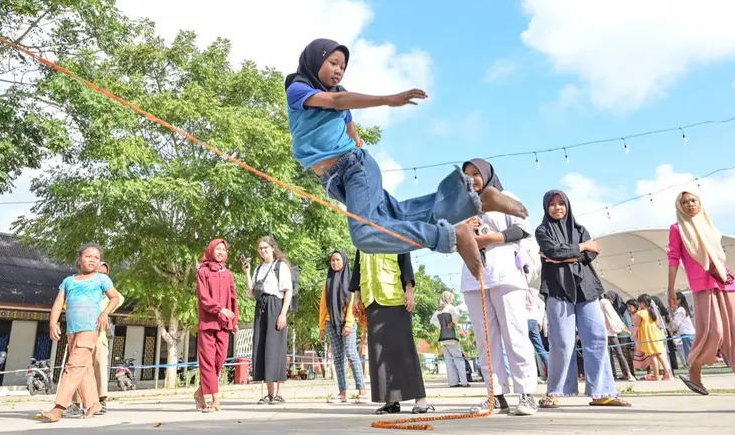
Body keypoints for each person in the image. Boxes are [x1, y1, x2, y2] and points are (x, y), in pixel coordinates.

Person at [284, 38, 529, 279]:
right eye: (334, 63)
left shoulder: (337, 95)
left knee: (365, 235)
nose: (339, 71)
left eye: (343, 67)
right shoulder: (298, 88)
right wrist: (356, 138)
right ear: (315, 59)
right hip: (335, 179)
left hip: (353, 168)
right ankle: (476, 199)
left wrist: (387, 101)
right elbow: (345, 119)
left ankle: (451, 237)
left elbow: (340, 105)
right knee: (398, 216)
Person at [535, 190, 629, 408]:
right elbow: (553, 251)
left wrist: (563, 255)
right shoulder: (542, 231)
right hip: (558, 289)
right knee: (562, 342)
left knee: (597, 337)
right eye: (552, 204)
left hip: (586, 289)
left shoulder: (580, 229)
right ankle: (555, 391)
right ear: (546, 208)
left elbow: (591, 254)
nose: (557, 208)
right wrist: (580, 247)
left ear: (568, 205)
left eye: (561, 203)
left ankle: (602, 392)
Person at [460, 158, 538, 415]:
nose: (472, 178)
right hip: (474, 278)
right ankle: (495, 394)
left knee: (514, 334)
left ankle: (527, 393)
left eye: (476, 173)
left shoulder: (505, 196)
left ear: (487, 174)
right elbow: (451, 240)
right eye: (467, 175)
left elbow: (522, 229)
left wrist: (492, 238)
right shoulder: (461, 204)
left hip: (504, 273)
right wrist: (464, 230)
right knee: (485, 340)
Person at [667, 190, 735, 395]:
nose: (690, 204)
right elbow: (673, 258)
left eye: (693, 200)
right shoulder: (677, 229)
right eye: (684, 202)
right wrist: (671, 289)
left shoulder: (709, 226)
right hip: (702, 286)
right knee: (714, 330)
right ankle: (695, 368)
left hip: (726, 283)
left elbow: (721, 260)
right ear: (679, 207)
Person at [39, 244, 120, 423]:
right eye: (88, 256)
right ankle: (93, 403)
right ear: (79, 259)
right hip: (72, 330)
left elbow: (115, 297)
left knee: (73, 366)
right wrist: (53, 322)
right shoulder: (68, 281)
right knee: (84, 368)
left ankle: (59, 408)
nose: (92, 259)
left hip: (90, 328)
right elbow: (59, 303)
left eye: (96, 258)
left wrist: (105, 313)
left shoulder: (101, 279)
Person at [350, 251, 433, 415]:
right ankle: (391, 401)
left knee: (404, 348)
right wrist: (357, 296)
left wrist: (409, 289)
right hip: (372, 300)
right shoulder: (363, 238)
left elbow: (405, 262)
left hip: (395, 297)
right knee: (379, 352)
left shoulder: (395, 231)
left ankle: (420, 398)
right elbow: (357, 268)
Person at [65, 262, 125, 417]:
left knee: (99, 367)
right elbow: (67, 305)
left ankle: (100, 401)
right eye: (99, 273)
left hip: (99, 336)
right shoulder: (78, 287)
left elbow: (118, 299)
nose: (102, 276)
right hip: (80, 334)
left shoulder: (106, 293)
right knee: (78, 368)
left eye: (105, 274)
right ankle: (76, 403)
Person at [242, 236, 292, 404]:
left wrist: (283, 313)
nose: (263, 251)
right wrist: (247, 272)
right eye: (260, 249)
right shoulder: (258, 268)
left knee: (275, 348)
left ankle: (279, 393)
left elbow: (288, 291)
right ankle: (269, 393)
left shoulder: (281, 266)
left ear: (272, 248)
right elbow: (251, 293)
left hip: (275, 306)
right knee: (262, 347)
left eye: (265, 247)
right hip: (261, 307)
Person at [194, 239, 239, 412]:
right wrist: (220, 309)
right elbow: (203, 298)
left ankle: (199, 393)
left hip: (224, 324)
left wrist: (234, 321)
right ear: (211, 250)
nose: (220, 252)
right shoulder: (203, 272)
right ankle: (215, 401)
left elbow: (233, 297)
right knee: (207, 363)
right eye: (217, 249)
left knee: (219, 361)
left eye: (223, 249)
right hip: (207, 323)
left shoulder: (228, 274)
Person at [318, 251, 367, 403]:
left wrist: (348, 323)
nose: (335, 263)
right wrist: (322, 327)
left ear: (344, 261)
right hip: (331, 323)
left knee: (351, 354)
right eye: (332, 260)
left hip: (348, 323)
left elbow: (353, 302)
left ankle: (362, 391)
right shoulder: (328, 280)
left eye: (338, 260)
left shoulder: (351, 279)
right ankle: (343, 392)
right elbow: (323, 305)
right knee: (338, 358)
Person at [429, 291, 469, 388]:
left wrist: (441, 326)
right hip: (451, 336)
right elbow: (457, 315)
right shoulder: (450, 307)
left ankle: (452, 382)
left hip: (443, 338)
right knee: (458, 359)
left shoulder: (438, 310)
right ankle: (464, 382)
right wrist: (453, 323)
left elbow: (432, 320)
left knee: (448, 361)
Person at [632, 295, 672, 380]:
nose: (639, 304)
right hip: (656, 334)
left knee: (652, 355)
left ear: (643, 303)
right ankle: (667, 374)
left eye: (639, 302)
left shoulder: (641, 313)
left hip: (647, 336)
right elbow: (657, 324)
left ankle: (656, 375)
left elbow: (636, 323)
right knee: (659, 354)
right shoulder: (653, 311)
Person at [600, 293, 635, 381]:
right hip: (610, 332)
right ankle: (627, 374)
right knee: (618, 354)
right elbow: (613, 316)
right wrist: (623, 327)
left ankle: (624, 374)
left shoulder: (603, 303)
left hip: (608, 332)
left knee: (614, 355)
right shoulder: (605, 302)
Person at [526, 288, 549, 381]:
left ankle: (530, 375)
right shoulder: (533, 293)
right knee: (540, 348)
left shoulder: (521, 292)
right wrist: (539, 319)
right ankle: (551, 372)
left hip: (524, 320)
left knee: (526, 350)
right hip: (533, 320)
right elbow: (542, 304)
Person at [671, 292, 695, 367]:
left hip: (686, 334)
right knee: (691, 353)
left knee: (689, 353)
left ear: (679, 300)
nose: (673, 302)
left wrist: (672, 314)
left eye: (674, 299)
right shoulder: (683, 309)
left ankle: (693, 371)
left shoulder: (680, 310)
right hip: (689, 333)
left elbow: (676, 324)